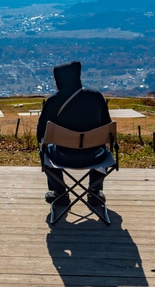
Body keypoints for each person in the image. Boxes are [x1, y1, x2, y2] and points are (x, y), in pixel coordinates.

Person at [37, 61, 112, 207]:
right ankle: (94, 192)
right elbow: (108, 129)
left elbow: (41, 134)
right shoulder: (96, 97)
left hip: (62, 156)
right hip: (95, 156)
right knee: (106, 148)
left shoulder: (53, 102)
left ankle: (60, 193)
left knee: (44, 151)